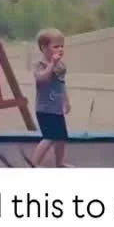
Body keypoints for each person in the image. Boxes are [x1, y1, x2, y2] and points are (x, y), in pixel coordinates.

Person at [32, 27, 71, 167]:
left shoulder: (61, 66)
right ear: (44, 48)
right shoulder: (39, 65)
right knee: (49, 137)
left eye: (62, 46)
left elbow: (61, 83)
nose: (60, 49)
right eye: (56, 46)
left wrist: (66, 101)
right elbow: (41, 79)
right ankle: (35, 163)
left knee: (61, 138)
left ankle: (59, 163)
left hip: (57, 109)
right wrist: (52, 64)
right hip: (44, 109)